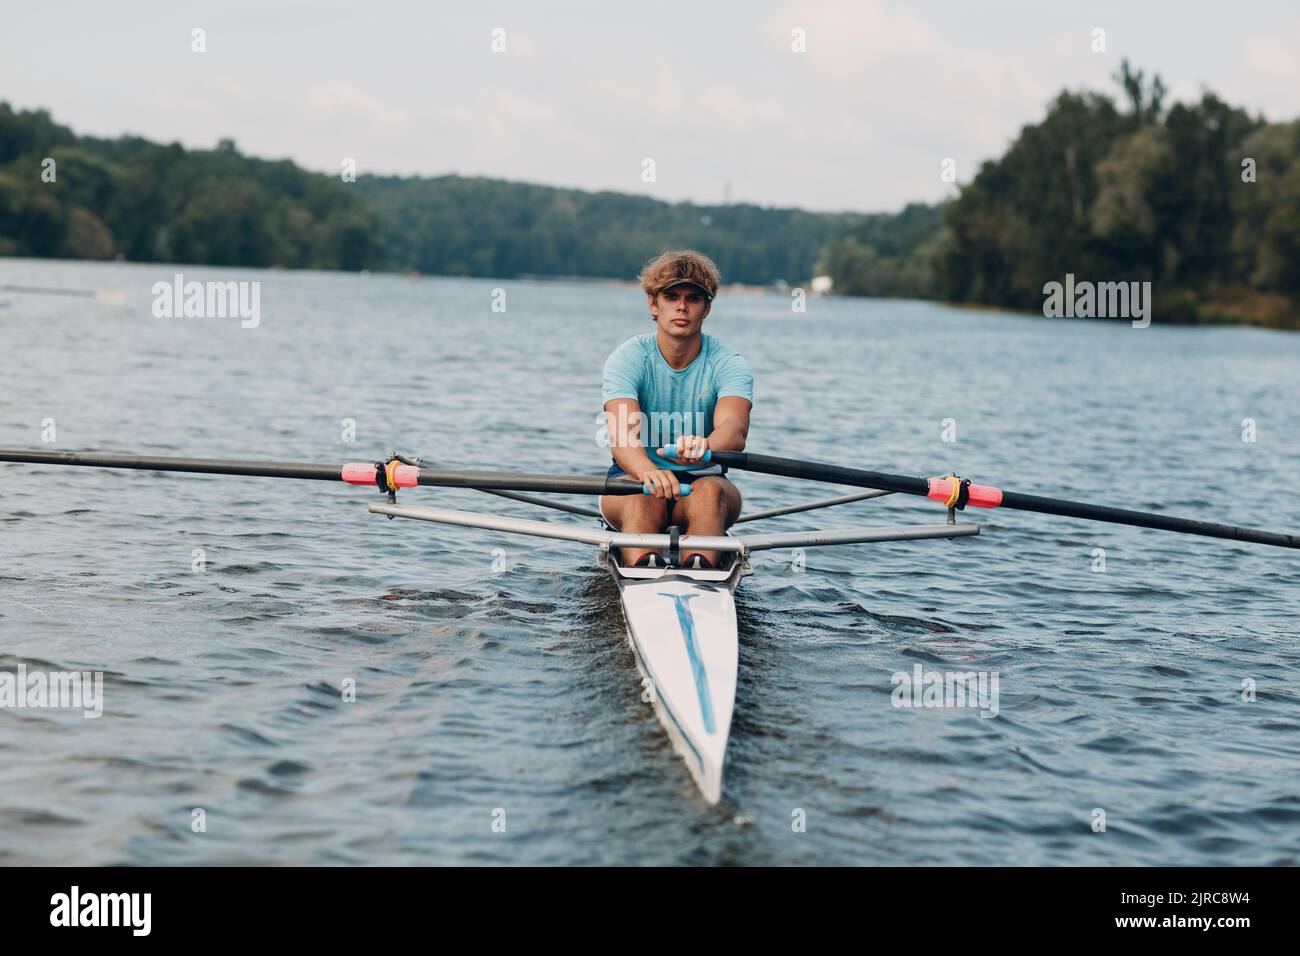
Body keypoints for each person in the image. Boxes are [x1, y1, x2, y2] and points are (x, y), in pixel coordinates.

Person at [598, 250, 753, 569]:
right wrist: (648, 472)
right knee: (643, 496)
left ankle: (700, 569)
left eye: (694, 298)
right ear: (653, 305)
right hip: (635, 479)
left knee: (709, 493)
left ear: (706, 308)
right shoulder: (627, 358)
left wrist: (708, 445)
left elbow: (734, 430)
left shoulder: (729, 362)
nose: (682, 306)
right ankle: (645, 565)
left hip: (704, 482)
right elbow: (623, 437)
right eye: (671, 296)